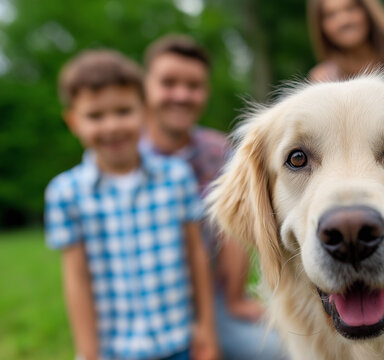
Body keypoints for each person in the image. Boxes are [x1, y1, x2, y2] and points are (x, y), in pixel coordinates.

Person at [45, 50, 218, 360]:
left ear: (144, 111)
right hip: (116, 349)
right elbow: (76, 279)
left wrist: (205, 328)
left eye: (123, 111)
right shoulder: (64, 193)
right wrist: (88, 352)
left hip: (179, 342)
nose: (111, 126)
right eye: (95, 116)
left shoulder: (176, 176)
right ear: (73, 121)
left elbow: (196, 253)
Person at [140, 34, 286, 359]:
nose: (181, 95)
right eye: (168, 83)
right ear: (145, 86)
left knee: (280, 350)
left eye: (193, 86)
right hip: (145, 300)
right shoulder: (123, 155)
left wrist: (235, 298)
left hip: (214, 299)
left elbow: (231, 234)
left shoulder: (219, 151)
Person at [307, 0, 384, 84]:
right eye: (330, 15)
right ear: (321, 27)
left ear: (367, 12)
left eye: (350, 8)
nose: (344, 20)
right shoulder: (323, 80)